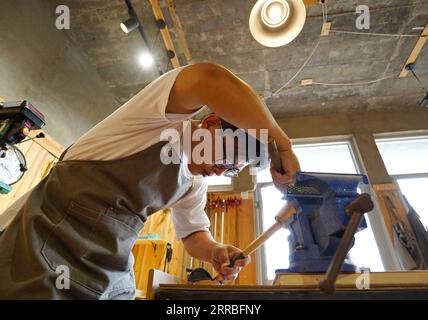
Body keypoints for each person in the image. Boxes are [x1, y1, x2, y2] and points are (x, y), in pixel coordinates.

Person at [0, 62, 300, 299]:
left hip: (109, 272)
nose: (221, 171)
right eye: (225, 158)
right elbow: (207, 77)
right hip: (48, 250)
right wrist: (282, 144)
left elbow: (194, 234)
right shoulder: (153, 123)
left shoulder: (194, 183)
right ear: (209, 123)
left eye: (232, 170)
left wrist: (215, 251)